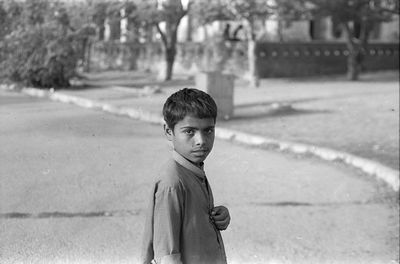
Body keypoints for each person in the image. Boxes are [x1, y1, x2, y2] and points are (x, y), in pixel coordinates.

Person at [141, 88, 230, 264]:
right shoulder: (172, 182)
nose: (201, 141)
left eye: (208, 131)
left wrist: (219, 217)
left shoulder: (193, 170)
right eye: (190, 131)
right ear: (168, 131)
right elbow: (167, 254)